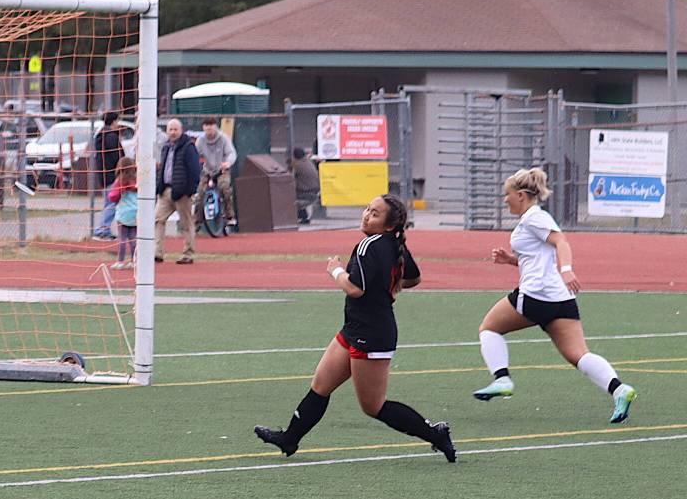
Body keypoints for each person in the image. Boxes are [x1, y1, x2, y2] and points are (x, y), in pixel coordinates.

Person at [254, 194, 456, 463]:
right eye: (367, 210)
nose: (366, 215)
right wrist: (392, 287)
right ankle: (290, 439)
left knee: (373, 406)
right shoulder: (393, 243)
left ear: (387, 225)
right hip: (355, 327)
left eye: (374, 213)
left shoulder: (368, 246)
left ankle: (435, 434)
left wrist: (335, 270)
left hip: (372, 334)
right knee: (320, 385)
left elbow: (355, 288)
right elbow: (414, 278)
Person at [473, 168, 638, 423]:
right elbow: (538, 257)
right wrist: (511, 260)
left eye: (506, 195)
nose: (504, 200)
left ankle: (501, 378)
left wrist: (568, 270)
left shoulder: (533, 218)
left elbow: (562, 241)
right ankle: (619, 389)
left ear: (520, 195)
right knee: (579, 355)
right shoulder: (531, 220)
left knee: (489, 328)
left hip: (536, 295)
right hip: (560, 299)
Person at [155, 118, 201, 264]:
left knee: (186, 223)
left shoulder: (189, 147)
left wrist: (189, 191)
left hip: (182, 193)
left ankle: (188, 253)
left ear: (181, 131)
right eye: (170, 129)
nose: (173, 132)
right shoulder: (166, 147)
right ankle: (158, 252)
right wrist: (159, 186)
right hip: (166, 191)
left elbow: (195, 170)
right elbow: (163, 168)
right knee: (158, 219)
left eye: (176, 129)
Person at [193, 117, 237, 227]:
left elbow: (231, 153)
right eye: (206, 126)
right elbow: (195, 155)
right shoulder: (200, 141)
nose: (209, 128)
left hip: (222, 169)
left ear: (215, 127)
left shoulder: (223, 138)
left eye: (211, 125)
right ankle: (197, 221)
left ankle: (229, 216)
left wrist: (227, 163)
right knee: (200, 192)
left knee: (224, 188)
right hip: (207, 170)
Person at [91, 111, 123, 241]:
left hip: (104, 174)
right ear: (114, 121)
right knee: (112, 203)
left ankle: (104, 229)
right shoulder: (110, 137)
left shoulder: (101, 135)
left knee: (109, 203)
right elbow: (116, 156)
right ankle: (102, 229)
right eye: (117, 121)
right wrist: (121, 168)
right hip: (111, 174)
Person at [109, 156, 138, 270]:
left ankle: (120, 261)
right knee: (133, 238)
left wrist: (118, 193)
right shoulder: (136, 181)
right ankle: (134, 261)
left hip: (123, 213)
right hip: (135, 212)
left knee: (122, 238)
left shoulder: (120, 182)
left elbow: (113, 196)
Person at [290, 147, 320, 224]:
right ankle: (304, 216)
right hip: (315, 191)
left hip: (305, 192)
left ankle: (301, 216)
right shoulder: (309, 162)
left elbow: (290, 178)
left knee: (288, 197)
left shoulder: (296, 165)